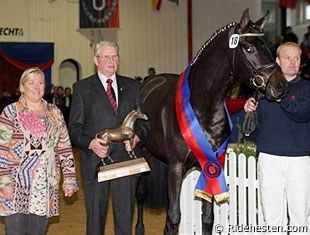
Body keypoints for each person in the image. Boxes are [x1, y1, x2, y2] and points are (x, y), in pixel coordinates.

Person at [69, 41, 150, 235]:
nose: (112, 60)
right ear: (96, 60)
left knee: (124, 222)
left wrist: (136, 138)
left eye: (115, 56)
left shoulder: (133, 86)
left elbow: (145, 123)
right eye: (106, 56)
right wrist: (91, 143)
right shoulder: (82, 88)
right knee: (95, 224)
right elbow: (74, 128)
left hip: (125, 163)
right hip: (96, 162)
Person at [0, 67, 78, 235]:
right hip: (16, 184)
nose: (36, 87)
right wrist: (4, 182)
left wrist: (69, 179)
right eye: (31, 83)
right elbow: (2, 150)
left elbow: (64, 148)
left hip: (46, 185)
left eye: (40, 82)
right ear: (22, 87)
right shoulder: (11, 112)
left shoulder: (55, 113)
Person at [244, 42, 310, 234]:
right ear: (277, 61)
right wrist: (250, 113)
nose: (292, 62)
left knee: (300, 214)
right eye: (288, 58)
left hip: (299, 159)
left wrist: (281, 96)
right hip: (269, 157)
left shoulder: (307, 88)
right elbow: (255, 128)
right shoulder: (261, 90)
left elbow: (302, 113)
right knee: (271, 216)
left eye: (297, 58)